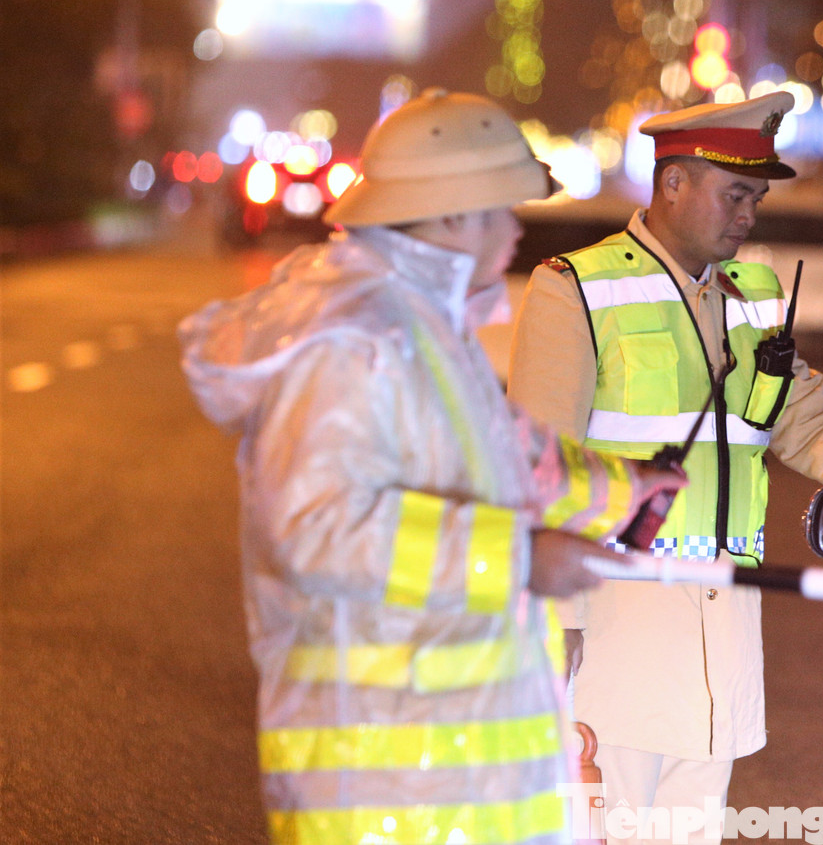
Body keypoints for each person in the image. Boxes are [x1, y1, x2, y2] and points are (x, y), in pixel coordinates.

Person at [179, 89, 684, 845]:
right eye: (501, 210)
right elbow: (318, 529)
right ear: (451, 216)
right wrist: (517, 558)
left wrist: (626, 491)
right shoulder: (353, 338)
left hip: (453, 774)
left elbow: (503, 455)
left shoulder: (423, 324)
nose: (516, 230)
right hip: (386, 784)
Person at [507, 90, 823, 841]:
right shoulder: (576, 289)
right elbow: (540, 469)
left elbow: (807, 424)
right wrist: (552, 628)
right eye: (735, 194)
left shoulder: (750, 298)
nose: (749, 214)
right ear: (673, 183)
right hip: (613, 626)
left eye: (756, 196)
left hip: (723, 625)